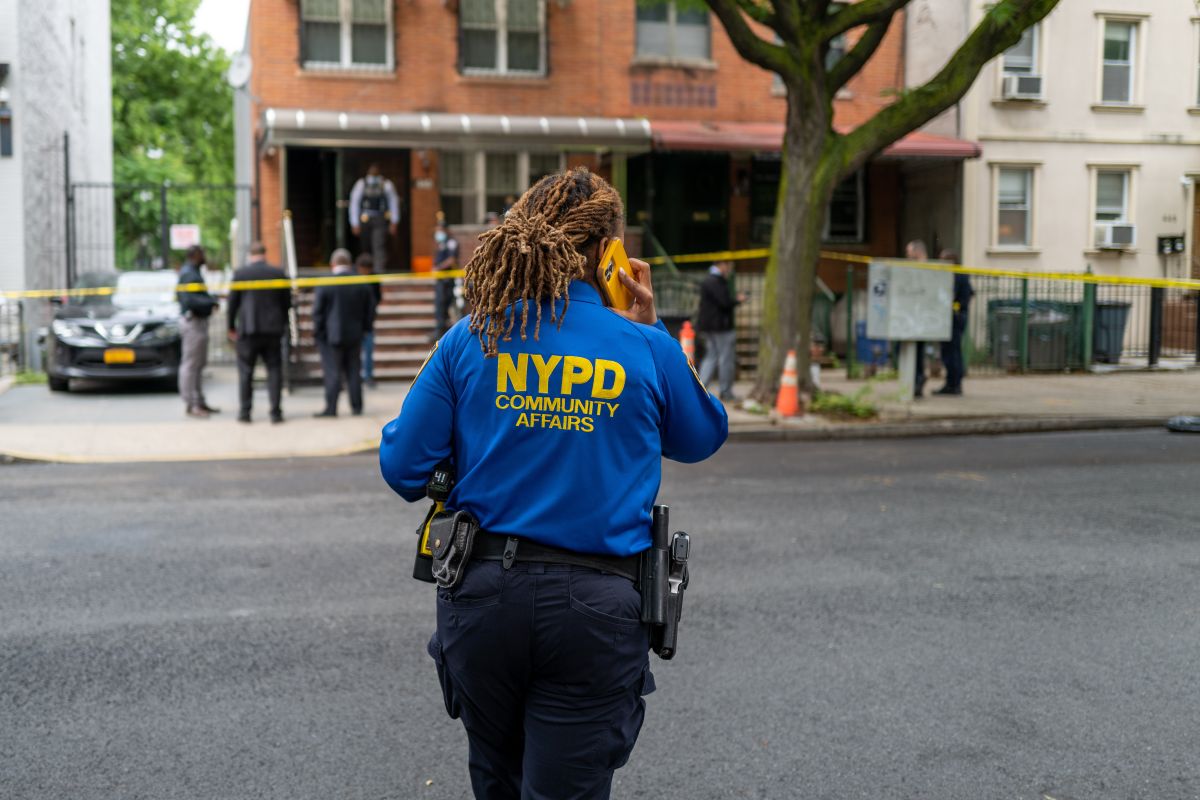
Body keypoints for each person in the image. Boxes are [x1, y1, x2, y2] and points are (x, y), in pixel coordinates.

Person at [379, 168, 728, 799]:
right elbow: (702, 435)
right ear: (608, 255)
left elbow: (402, 467)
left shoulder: (471, 337)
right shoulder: (642, 346)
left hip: (482, 599)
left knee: (497, 782)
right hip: (596, 609)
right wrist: (653, 330)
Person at [227, 241, 291, 424]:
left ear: (250, 254)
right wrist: (284, 324)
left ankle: (245, 412)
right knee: (274, 370)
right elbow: (286, 303)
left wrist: (231, 327)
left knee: (246, 372)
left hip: (248, 330)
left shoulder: (241, 274)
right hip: (273, 330)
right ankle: (275, 413)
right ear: (265, 253)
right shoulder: (277, 273)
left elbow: (232, 304)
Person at [312, 249, 376, 417]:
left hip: (331, 336)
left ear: (333, 264)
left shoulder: (325, 284)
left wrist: (319, 333)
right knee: (354, 371)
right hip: (355, 334)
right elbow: (370, 310)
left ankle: (331, 408)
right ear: (350, 264)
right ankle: (357, 407)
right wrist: (365, 329)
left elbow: (317, 312)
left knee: (333, 372)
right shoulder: (361, 283)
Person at [176, 245, 220, 418]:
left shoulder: (192, 272)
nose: (205, 257)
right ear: (195, 255)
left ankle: (198, 401)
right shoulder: (189, 273)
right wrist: (210, 302)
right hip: (193, 322)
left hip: (198, 322)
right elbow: (190, 300)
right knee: (191, 365)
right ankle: (191, 403)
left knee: (198, 364)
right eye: (203, 253)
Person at [696, 259, 746, 402]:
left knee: (711, 356)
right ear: (722, 265)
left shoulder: (709, 280)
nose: (729, 269)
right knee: (725, 359)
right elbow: (724, 302)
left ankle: (701, 388)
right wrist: (738, 300)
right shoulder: (716, 281)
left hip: (710, 326)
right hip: (721, 326)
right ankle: (726, 391)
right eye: (728, 266)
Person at [935, 249, 974, 396]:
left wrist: (956, 308)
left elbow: (954, 295)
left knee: (951, 351)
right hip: (957, 316)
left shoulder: (956, 275)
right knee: (951, 351)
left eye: (942, 261)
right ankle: (952, 383)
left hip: (954, 318)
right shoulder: (959, 274)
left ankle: (954, 384)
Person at [349, 163, 400, 273]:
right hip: (365, 218)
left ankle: (379, 270)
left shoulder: (386, 184)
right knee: (365, 245)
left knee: (379, 244)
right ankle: (364, 269)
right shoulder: (361, 184)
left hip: (380, 217)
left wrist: (394, 221)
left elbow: (393, 203)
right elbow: (354, 203)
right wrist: (355, 223)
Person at [905, 239, 929, 397]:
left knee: (918, 352)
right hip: (911, 318)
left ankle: (918, 379)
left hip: (920, 318)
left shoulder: (925, 270)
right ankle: (915, 380)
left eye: (910, 254)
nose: (907, 257)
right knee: (913, 352)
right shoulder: (912, 269)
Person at [431, 216, 459, 340]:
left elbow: (451, 259)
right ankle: (439, 330)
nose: (438, 232)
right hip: (441, 280)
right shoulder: (441, 243)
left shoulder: (451, 242)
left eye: (440, 229)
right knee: (439, 305)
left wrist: (439, 268)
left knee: (444, 304)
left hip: (447, 280)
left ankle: (442, 331)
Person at [356, 253, 382, 388]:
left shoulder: (374, 279)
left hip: (368, 321)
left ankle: (368, 376)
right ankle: (355, 376)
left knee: (368, 350)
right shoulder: (353, 278)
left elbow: (377, 298)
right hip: (354, 321)